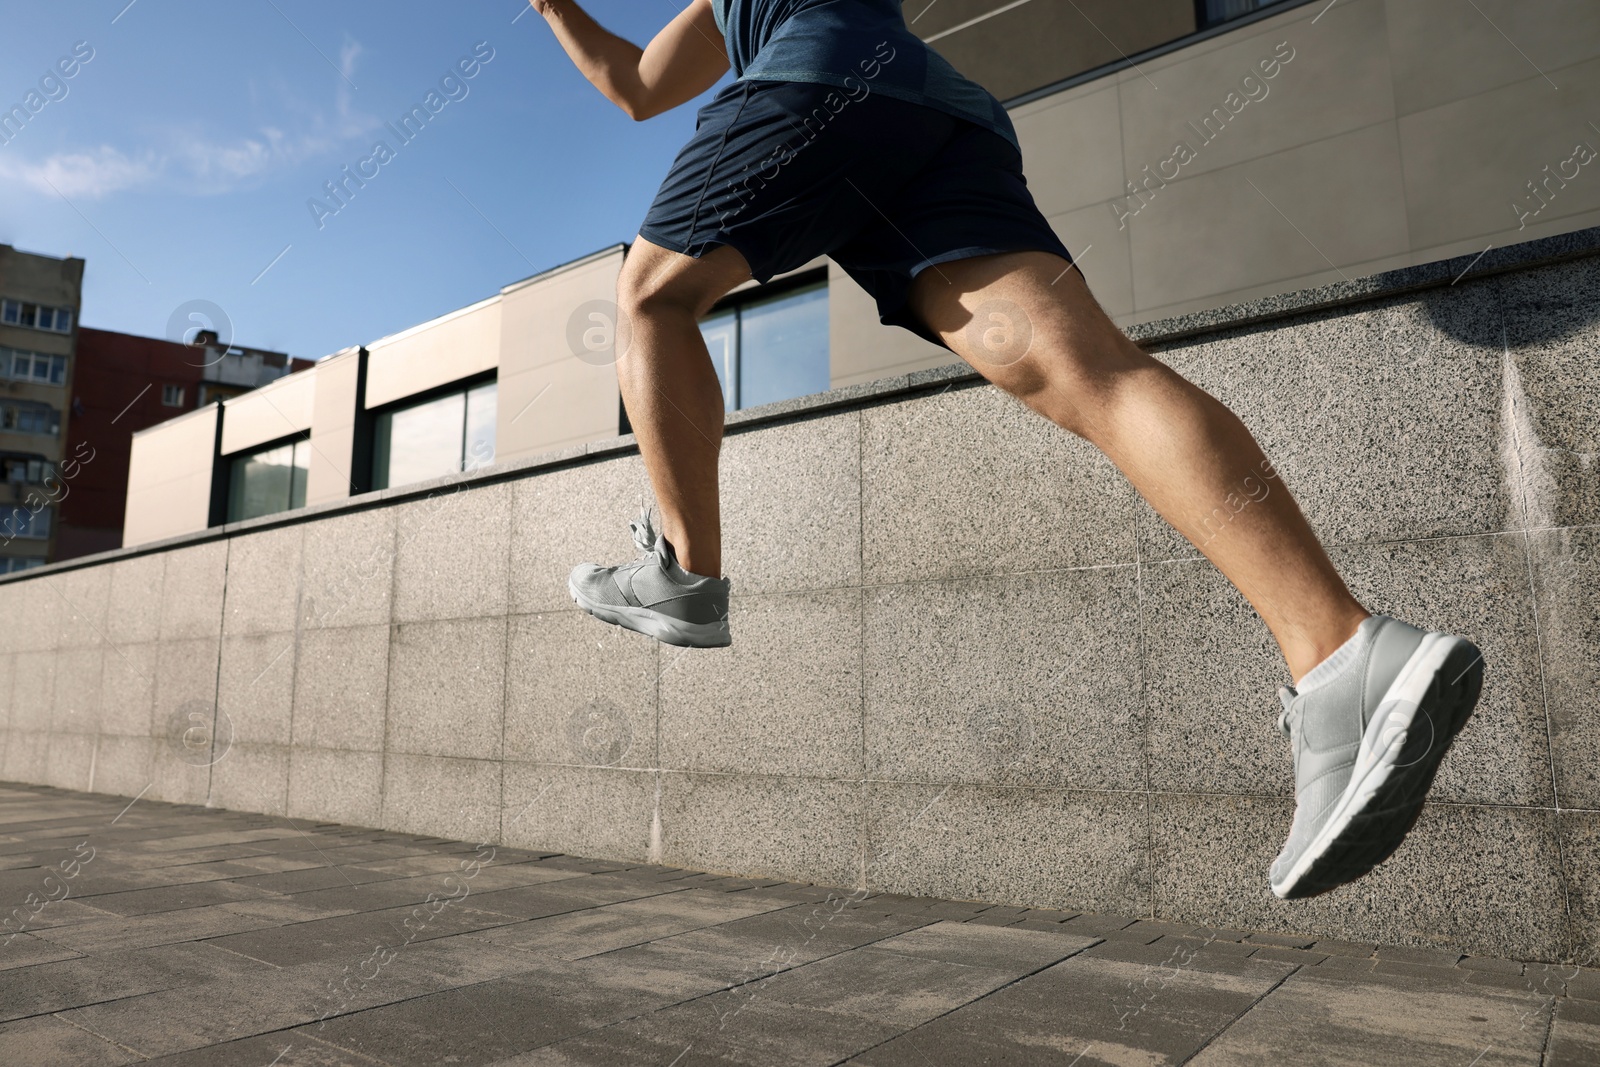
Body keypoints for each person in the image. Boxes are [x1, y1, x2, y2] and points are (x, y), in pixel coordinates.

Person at [533, 0, 1485, 900]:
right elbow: (639, 84)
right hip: (930, 123)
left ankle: (687, 573)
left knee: (651, 295)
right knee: (1096, 380)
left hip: (818, 85)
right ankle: (1339, 653)